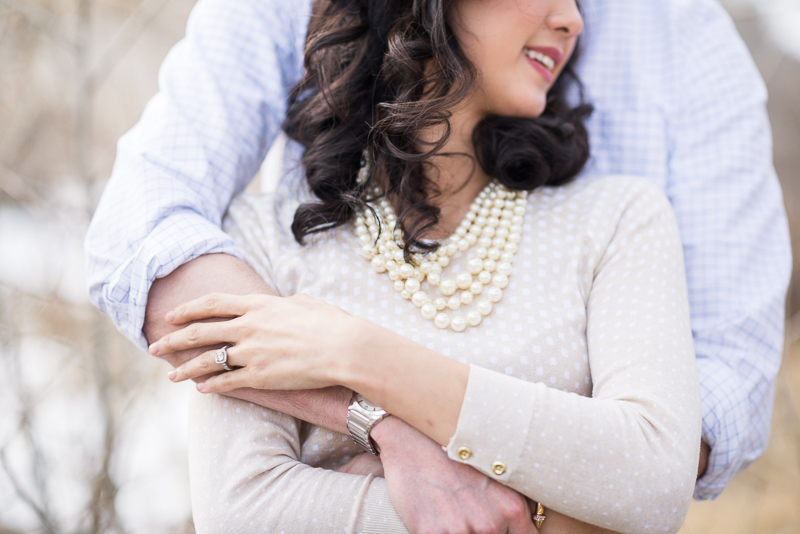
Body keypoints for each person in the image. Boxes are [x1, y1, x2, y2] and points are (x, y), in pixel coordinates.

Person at [84, 0, 791, 525]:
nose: (575, 22)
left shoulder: (620, 217)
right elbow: (244, 507)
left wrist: (362, 356)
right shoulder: (264, 242)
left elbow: (680, 442)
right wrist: (402, 445)